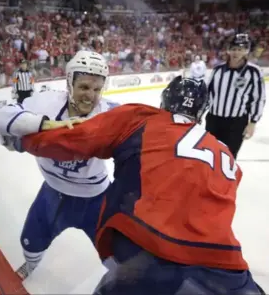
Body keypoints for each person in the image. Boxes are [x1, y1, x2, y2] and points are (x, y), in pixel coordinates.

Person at [19, 76, 263, 295]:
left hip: (151, 256)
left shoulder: (140, 119)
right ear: (202, 111)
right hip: (226, 268)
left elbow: (71, 141)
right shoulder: (225, 153)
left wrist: (23, 138)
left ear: (165, 100)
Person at [0, 50, 117, 280]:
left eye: (97, 89)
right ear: (69, 84)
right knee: (31, 238)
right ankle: (30, 266)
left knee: (116, 252)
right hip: (54, 191)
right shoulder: (47, 102)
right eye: (84, 87)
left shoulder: (110, 112)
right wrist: (46, 125)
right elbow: (0, 119)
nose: (90, 96)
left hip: (96, 197)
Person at [206, 33, 266, 159]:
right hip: (214, 120)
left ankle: (225, 179)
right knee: (210, 155)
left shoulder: (253, 72)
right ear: (228, 50)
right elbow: (208, 93)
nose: (236, 53)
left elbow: (258, 98)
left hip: (236, 123)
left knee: (229, 157)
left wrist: (253, 122)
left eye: (240, 49)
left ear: (246, 51)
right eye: (233, 49)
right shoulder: (218, 70)